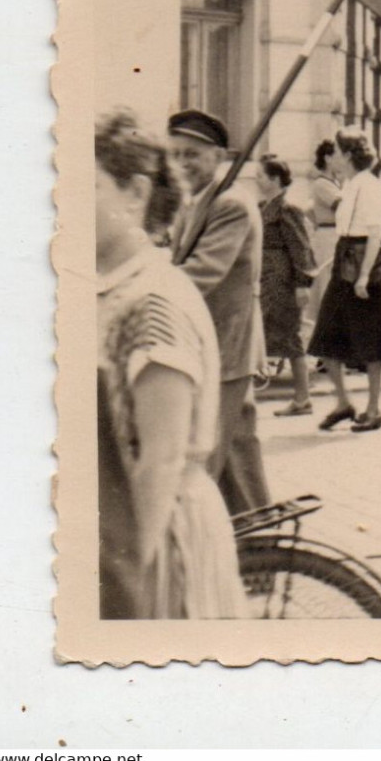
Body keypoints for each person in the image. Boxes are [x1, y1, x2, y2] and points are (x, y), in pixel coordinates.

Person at [96, 110, 246, 618]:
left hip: (152, 535)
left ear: (136, 195)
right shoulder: (111, 286)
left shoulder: (152, 301)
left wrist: (123, 581)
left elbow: (159, 460)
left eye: (81, 187)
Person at [166, 109, 271, 515]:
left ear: (219, 157)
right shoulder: (197, 203)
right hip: (213, 345)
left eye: (191, 155)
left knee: (202, 466)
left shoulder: (232, 205)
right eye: (174, 154)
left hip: (225, 347)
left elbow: (201, 273)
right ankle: (266, 555)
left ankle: (217, 555)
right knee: (239, 460)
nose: (181, 164)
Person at [307, 128, 381, 433]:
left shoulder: (369, 185)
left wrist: (365, 276)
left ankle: (374, 409)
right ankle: (344, 402)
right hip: (344, 262)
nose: (333, 157)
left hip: (361, 270)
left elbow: (374, 233)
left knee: (371, 341)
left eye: (337, 152)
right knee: (326, 339)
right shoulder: (350, 183)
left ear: (347, 155)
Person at [255, 155, 316, 417]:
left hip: (282, 278)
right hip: (264, 277)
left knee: (290, 336)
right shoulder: (263, 205)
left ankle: (303, 399)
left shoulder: (288, 208)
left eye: (260, 176)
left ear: (275, 179)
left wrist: (303, 284)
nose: (257, 181)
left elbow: (300, 247)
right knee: (263, 334)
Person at [301, 139, 342, 349]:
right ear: (327, 158)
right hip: (328, 236)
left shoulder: (334, 183)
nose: (342, 160)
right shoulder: (322, 184)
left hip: (335, 235)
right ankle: (326, 347)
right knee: (327, 289)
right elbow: (342, 206)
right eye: (338, 156)